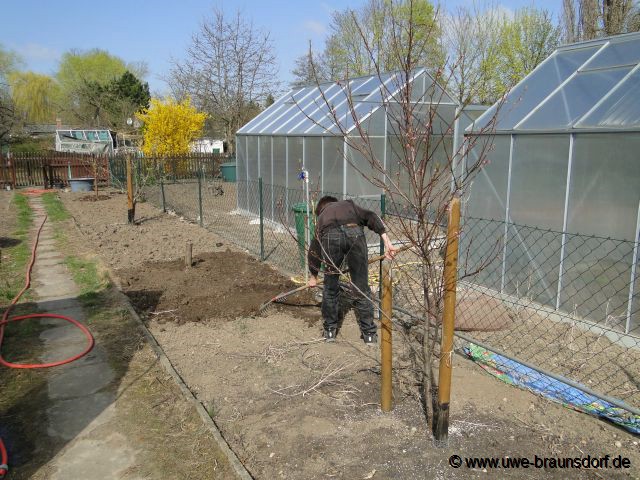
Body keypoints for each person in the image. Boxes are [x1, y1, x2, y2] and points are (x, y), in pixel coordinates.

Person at [307, 196, 397, 345]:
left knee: (330, 287)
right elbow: (372, 217)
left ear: (321, 209)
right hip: (354, 232)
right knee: (361, 287)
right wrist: (387, 242)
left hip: (331, 237)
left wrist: (313, 276)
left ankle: (330, 331)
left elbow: (314, 250)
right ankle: (369, 334)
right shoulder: (349, 205)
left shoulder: (323, 216)